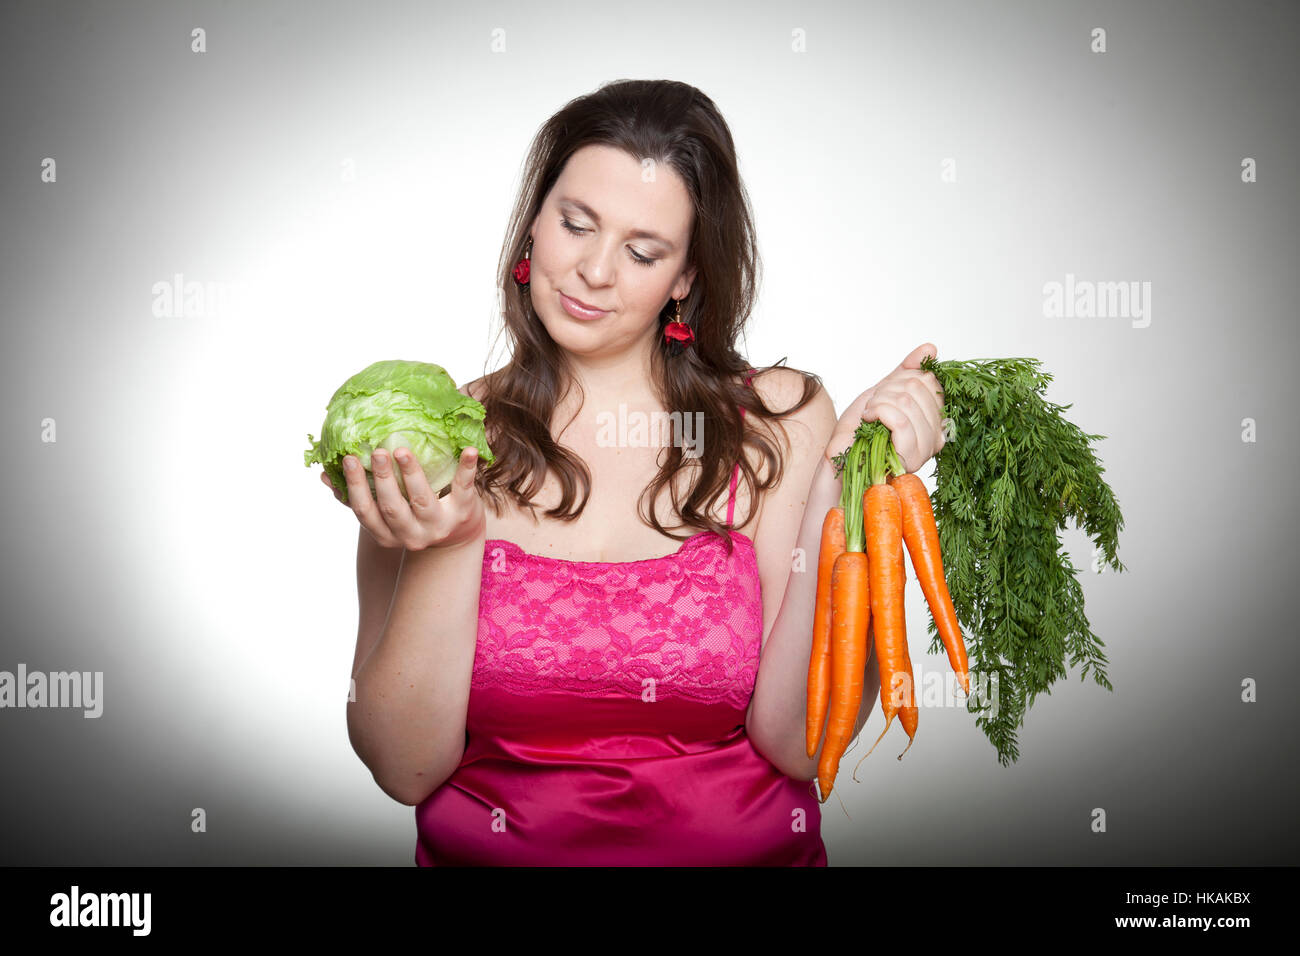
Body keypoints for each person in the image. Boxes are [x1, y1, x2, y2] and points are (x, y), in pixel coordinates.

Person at [325, 79, 946, 865]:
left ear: (686, 276)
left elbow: (798, 746)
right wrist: (450, 547)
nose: (592, 271)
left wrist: (848, 492)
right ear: (533, 226)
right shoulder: (437, 436)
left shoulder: (778, 425)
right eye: (574, 224)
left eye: (643, 251)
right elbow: (404, 768)